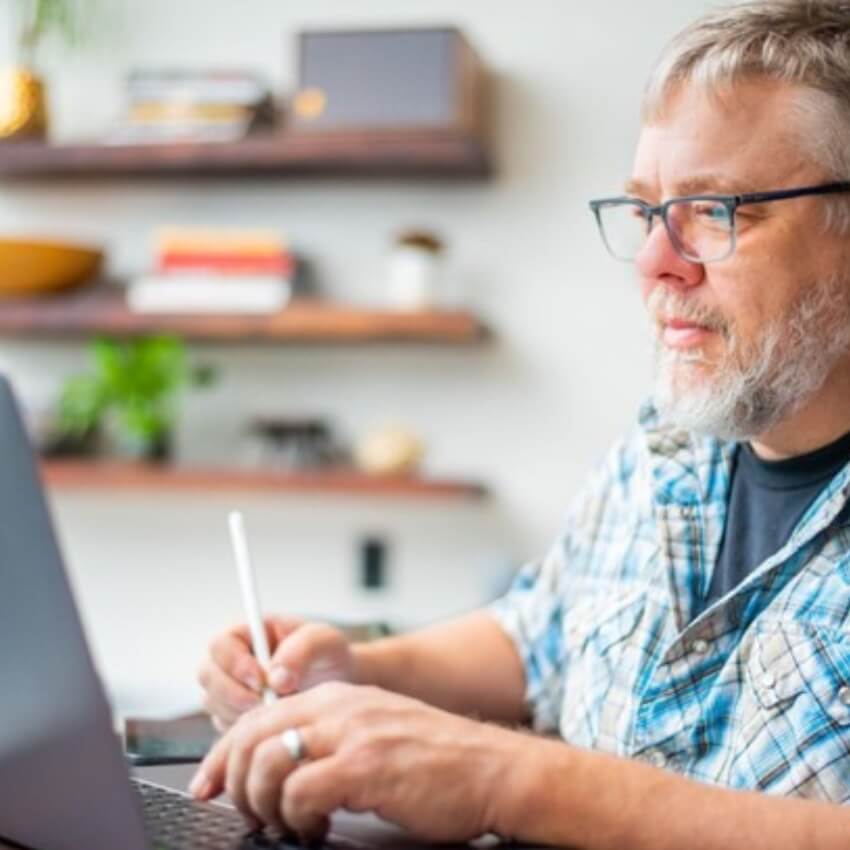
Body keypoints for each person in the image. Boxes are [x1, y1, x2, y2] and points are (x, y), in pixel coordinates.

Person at [191, 2, 850, 847]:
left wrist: (508, 778)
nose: (656, 262)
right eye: (647, 212)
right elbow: (537, 636)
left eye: (717, 211)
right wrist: (351, 672)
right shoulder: (665, 447)